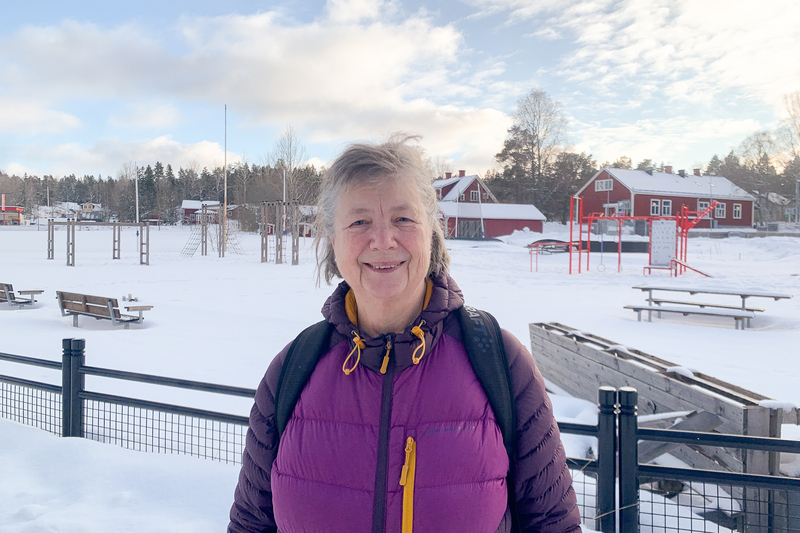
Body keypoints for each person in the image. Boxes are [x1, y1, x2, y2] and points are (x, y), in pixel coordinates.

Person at [228, 134, 582, 533]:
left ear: (431, 232)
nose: (383, 240)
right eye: (359, 221)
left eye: (403, 219)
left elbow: (553, 524)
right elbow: (250, 525)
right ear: (333, 240)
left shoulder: (500, 363)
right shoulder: (293, 370)